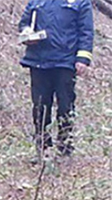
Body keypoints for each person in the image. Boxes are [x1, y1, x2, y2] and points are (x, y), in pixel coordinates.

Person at [18, 0, 93, 160]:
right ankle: (42, 148)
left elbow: (86, 32)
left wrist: (83, 58)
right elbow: (24, 23)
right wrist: (27, 33)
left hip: (65, 63)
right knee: (40, 106)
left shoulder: (80, 3)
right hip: (38, 62)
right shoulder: (37, 1)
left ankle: (64, 148)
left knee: (65, 106)